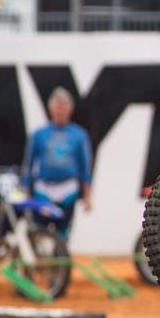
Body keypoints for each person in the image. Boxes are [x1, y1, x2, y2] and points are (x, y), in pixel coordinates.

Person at [22, 87, 93, 238]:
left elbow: (85, 167)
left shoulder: (79, 135)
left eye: (64, 106)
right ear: (50, 108)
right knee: (39, 233)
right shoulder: (39, 134)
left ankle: (61, 251)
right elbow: (28, 163)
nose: (60, 110)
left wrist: (87, 196)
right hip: (43, 190)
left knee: (63, 234)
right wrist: (26, 191)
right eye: (57, 106)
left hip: (68, 190)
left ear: (71, 109)